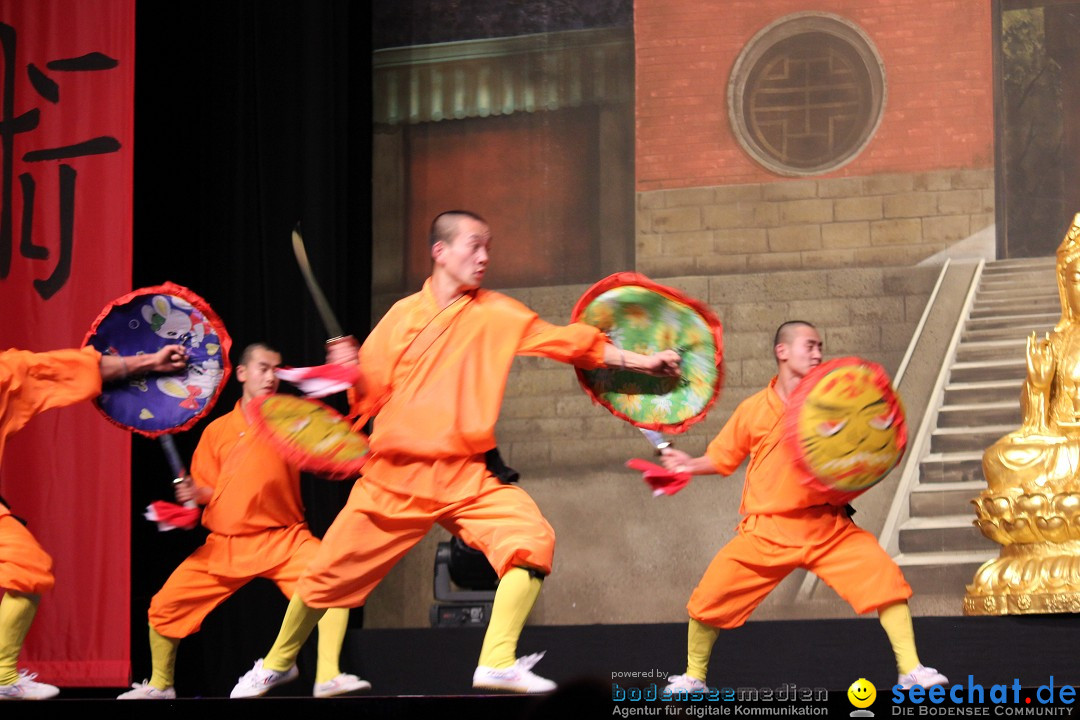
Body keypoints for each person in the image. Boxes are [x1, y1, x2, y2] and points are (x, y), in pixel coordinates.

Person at [229, 210, 681, 698]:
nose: (485, 257)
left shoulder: (497, 314)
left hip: (465, 476)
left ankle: (497, 661)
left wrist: (643, 360)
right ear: (440, 252)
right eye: (474, 246)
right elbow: (369, 399)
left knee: (531, 541)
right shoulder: (401, 316)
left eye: (489, 248)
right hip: (393, 479)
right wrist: (350, 370)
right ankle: (277, 663)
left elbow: (568, 343)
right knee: (322, 578)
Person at [657, 321, 948, 693]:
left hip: (828, 528)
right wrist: (688, 464)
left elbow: (865, 446)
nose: (817, 353)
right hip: (767, 531)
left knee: (885, 580)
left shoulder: (836, 401)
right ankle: (693, 677)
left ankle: (911, 669)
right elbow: (723, 458)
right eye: (809, 345)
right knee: (709, 599)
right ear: (782, 351)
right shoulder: (753, 410)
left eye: (820, 346)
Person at [119, 343, 368, 700]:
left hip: (285, 539)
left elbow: (335, 442)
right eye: (263, 368)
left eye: (276, 370)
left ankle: (327, 675)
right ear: (242, 373)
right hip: (226, 545)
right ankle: (160, 685)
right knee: (163, 607)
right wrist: (194, 494)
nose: (270, 377)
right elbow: (209, 489)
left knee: (332, 582)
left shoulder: (292, 420)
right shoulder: (217, 431)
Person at [1, 343, 187, 700]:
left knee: (28, 567)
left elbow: (62, 369)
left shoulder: (4, 373)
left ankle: (3, 674)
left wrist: (148, 359)